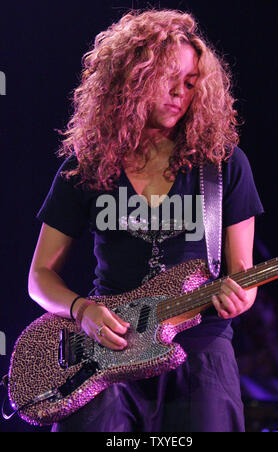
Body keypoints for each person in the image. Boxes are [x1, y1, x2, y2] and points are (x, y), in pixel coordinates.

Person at [28, 9, 264, 432]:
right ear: (131, 77)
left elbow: (242, 272)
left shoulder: (223, 165)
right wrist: (82, 310)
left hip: (198, 347)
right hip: (106, 349)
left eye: (191, 83)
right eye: (167, 76)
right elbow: (40, 276)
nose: (180, 92)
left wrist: (242, 295)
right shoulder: (86, 168)